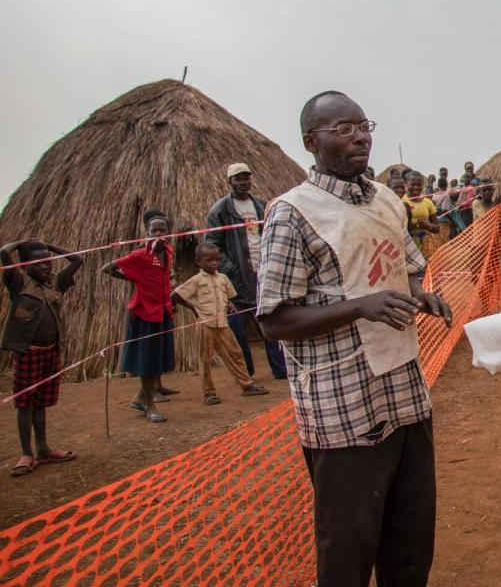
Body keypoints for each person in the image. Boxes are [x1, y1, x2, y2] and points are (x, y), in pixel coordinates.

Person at [257, 90, 452, 587]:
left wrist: (420, 295)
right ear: (310, 141)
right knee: (348, 548)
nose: (360, 136)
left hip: (404, 395)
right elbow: (274, 321)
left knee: (410, 542)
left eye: (364, 125)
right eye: (343, 128)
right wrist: (360, 307)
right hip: (342, 407)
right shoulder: (292, 213)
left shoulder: (387, 199)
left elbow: (407, 267)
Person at [2, 239, 82, 477]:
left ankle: (43, 448)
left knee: (41, 402)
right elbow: (4, 253)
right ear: (26, 265)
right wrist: (21, 245)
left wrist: (50, 248)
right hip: (28, 352)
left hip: (51, 351)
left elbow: (78, 259)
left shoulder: (54, 283)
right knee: (25, 403)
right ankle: (26, 453)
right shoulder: (17, 282)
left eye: (48, 262)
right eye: (39, 263)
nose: (45, 267)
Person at [205, 163, 287, 380]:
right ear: (229, 182)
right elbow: (212, 245)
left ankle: (280, 369)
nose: (243, 183)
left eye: (246, 178)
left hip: (263, 273)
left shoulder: (261, 206)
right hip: (238, 278)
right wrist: (231, 269)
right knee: (238, 329)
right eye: (238, 179)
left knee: (271, 321)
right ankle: (246, 374)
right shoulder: (220, 210)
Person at [101, 210, 183, 424]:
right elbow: (107, 268)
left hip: (163, 311)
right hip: (145, 313)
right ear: (146, 233)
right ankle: (149, 405)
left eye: (162, 230)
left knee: (157, 357)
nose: (158, 234)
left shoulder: (169, 251)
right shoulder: (140, 256)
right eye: (153, 230)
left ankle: (140, 398)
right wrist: (132, 279)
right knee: (147, 359)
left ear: (168, 233)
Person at [172, 242, 270, 405]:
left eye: (216, 260)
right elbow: (176, 295)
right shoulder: (196, 280)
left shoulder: (223, 278)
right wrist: (194, 308)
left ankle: (247, 385)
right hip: (206, 325)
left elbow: (229, 297)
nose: (214, 263)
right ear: (199, 262)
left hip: (223, 324)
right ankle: (208, 392)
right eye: (209, 260)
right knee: (206, 359)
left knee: (236, 353)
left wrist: (230, 305)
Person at [403, 171, 441, 261]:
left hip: (426, 245)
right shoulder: (401, 200)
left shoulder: (428, 203)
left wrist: (428, 225)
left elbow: (437, 228)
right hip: (408, 244)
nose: (416, 188)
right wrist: (409, 226)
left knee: (427, 271)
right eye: (412, 184)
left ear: (423, 185)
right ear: (406, 183)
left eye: (419, 185)